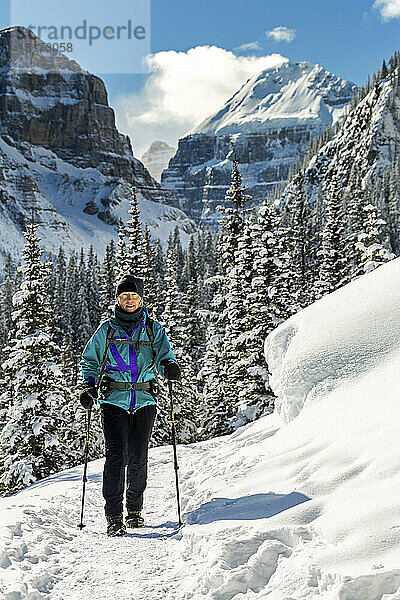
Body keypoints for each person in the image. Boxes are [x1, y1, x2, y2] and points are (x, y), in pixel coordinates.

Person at [79, 274, 181, 537]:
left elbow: (164, 356)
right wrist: (89, 385)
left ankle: (134, 511)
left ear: (141, 299)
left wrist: (169, 367)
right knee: (116, 456)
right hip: (113, 400)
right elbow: (90, 360)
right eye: (125, 296)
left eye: (134, 296)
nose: (129, 300)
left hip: (145, 400)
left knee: (138, 456)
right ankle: (113, 516)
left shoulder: (153, 329)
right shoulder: (107, 330)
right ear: (118, 299)